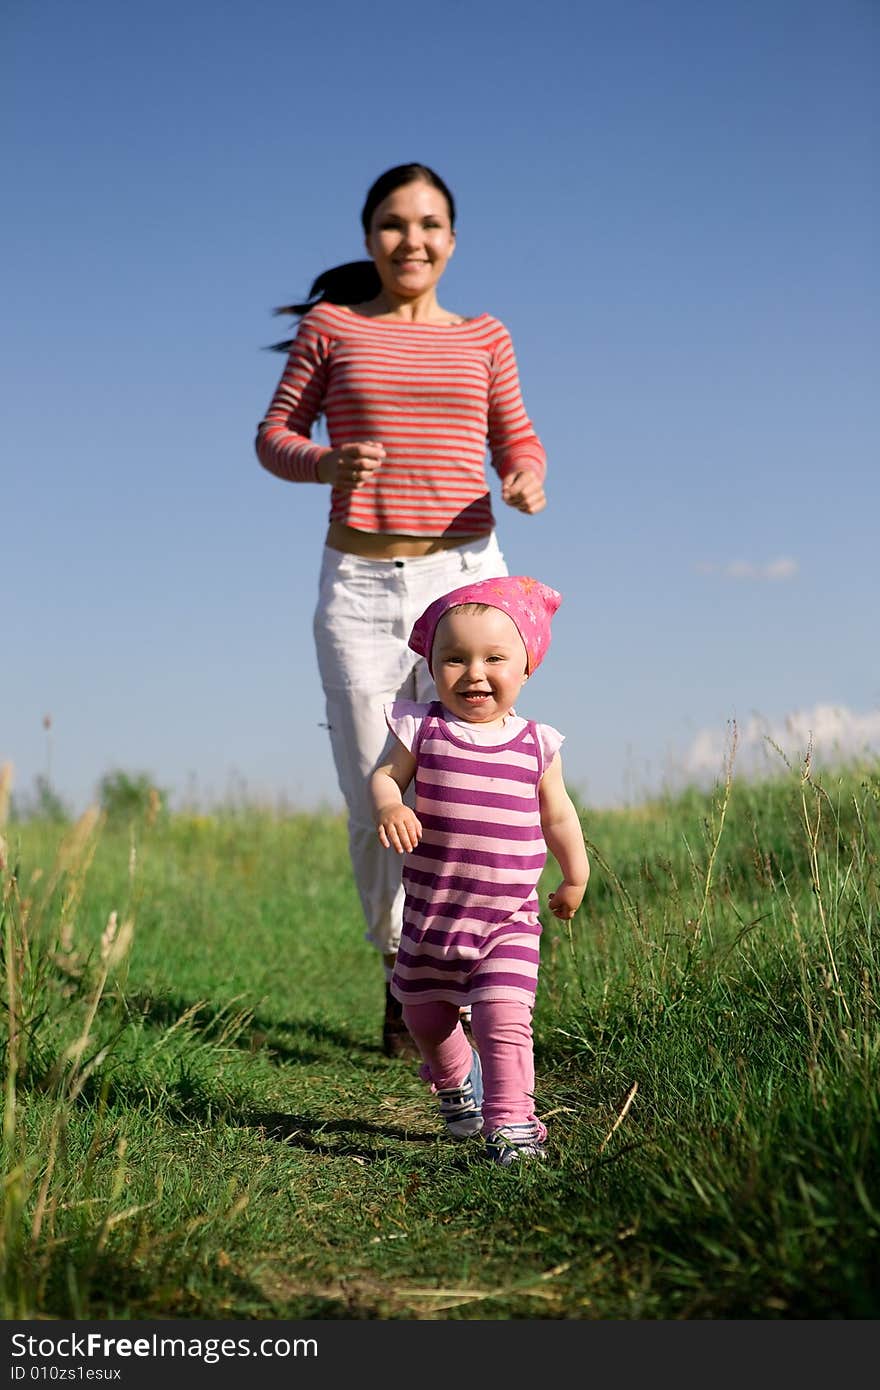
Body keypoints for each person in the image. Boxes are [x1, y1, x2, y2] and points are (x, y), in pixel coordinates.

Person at [255, 164, 548, 1056]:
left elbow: (518, 435)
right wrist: (324, 465)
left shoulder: (485, 336)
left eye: (428, 225)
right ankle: (402, 962)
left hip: (467, 578)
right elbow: (275, 437)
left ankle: (476, 968)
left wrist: (525, 474)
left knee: (471, 774)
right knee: (370, 784)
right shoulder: (332, 327)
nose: (410, 240)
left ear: (452, 240)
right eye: (391, 224)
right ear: (368, 236)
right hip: (360, 586)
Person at [369, 575, 590, 1162]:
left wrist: (575, 875)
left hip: (507, 920)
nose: (473, 673)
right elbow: (386, 775)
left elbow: (559, 815)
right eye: (454, 658)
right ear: (432, 665)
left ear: (526, 667)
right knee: (425, 1017)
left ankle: (513, 1123)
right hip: (432, 919)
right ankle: (455, 1082)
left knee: (503, 1015)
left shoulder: (536, 744)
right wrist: (391, 802)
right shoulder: (422, 727)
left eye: (495, 658)